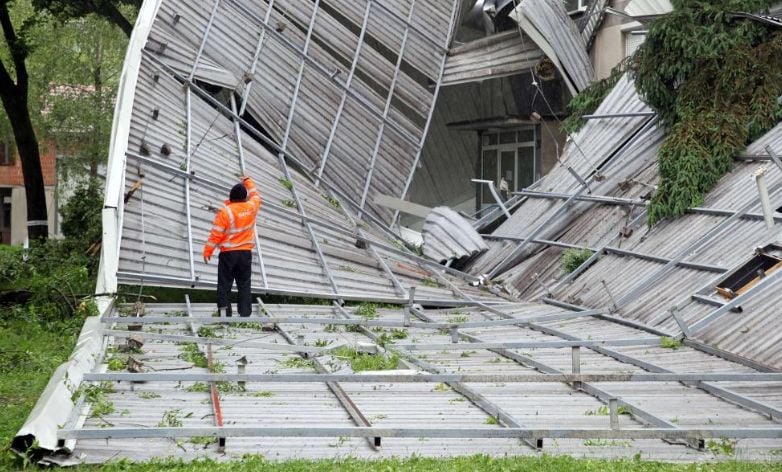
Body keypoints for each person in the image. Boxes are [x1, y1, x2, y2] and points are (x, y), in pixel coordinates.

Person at [203, 176, 261, 317]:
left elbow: (216, 234)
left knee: (224, 284)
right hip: (245, 253)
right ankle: (245, 313)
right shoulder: (252, 206)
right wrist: (248, 181)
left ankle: (224, 314)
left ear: (231, 197)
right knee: (244, 284)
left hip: (228, 254)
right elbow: (255, 194)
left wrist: (207, 251)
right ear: (244, 197)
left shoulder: (226, 212)